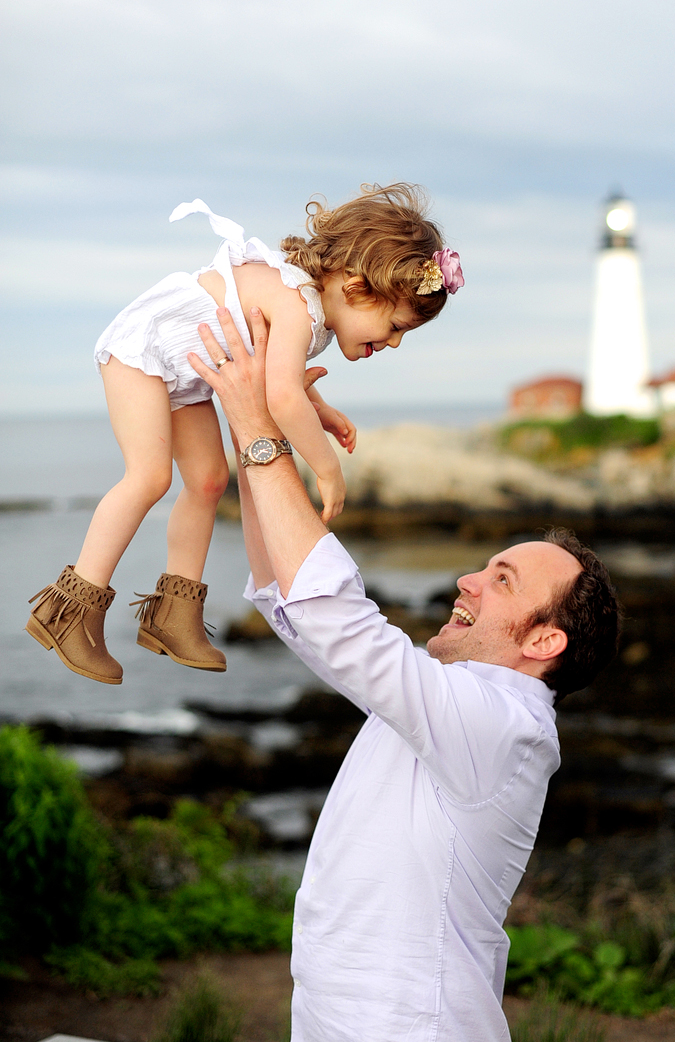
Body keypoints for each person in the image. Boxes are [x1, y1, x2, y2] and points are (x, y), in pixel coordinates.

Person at [190, 306, 621, 1042]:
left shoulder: (502, 725)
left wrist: (260, 429)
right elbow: (300, 613)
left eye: (499, 580)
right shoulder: (459, 702)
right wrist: (256, 435)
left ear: (544, 642)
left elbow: (343, 625)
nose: (465, 578)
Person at [26, 183, 463, 685]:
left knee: (210, 481)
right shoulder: (297, 304)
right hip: (143, 351)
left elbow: (280, 378)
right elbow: (279, 397)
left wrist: (314, 407)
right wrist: (325, 466)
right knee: (148, 478)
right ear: (358, 286)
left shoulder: (310, 311)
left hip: (187, 370)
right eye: (395, 325)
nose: (394, 342)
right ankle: (69, 611)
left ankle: (173, 615)